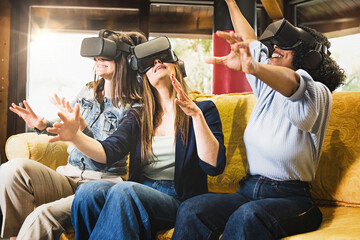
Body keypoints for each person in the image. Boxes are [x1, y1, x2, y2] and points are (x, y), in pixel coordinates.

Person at [172, 0, 346, 239]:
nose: (275, 47)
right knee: (192, 209)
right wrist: (231, 3)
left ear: (309, 59)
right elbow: (250, 40)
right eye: (275, 45)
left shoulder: (317, 92)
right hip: (249, 189)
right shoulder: (266, 89)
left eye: (286, 47)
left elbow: (293, 82)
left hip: (293, 199)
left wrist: (253, 68)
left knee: (248, 216)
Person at [46, 36, 226, 240]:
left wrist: (195, 116)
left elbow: (214, 166)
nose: (157, 62)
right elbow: (108, 152)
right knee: (89, 192)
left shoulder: (204, 110)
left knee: (125, 191)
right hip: (139, 189)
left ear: (177, 65)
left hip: (177, 198)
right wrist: (76, 136)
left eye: (163, 58)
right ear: (144, 77)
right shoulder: (139, 116)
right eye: (150, 62)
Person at [0, 30, 147, 240]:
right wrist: (42, 124)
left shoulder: (135, 108)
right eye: (96, 56)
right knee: (11, 171)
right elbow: (70, 125)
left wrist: (81, 131)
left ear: (126, 60)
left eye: (106, 56)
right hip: (68, 174)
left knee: (42, 217)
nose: (98, 60)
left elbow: (106, 157)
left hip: (100, 184)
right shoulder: (88, 90)